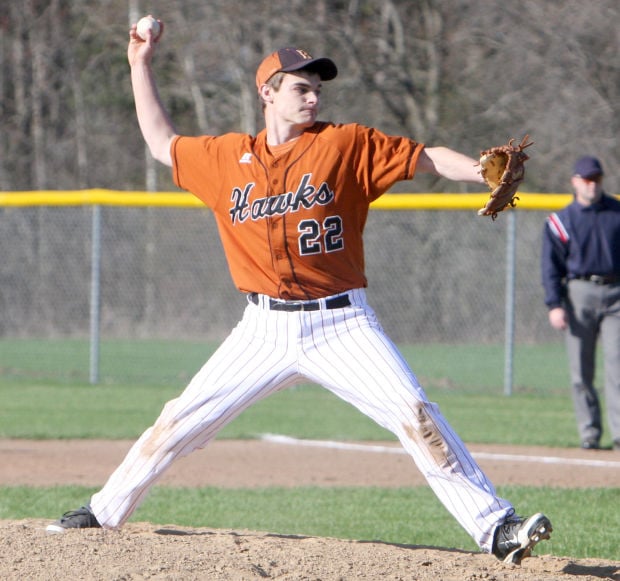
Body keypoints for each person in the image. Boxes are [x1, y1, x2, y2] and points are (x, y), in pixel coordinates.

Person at [46, 19, 552, 564]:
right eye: (300, 87)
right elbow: (161, 143)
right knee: (178, 421)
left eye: (317, 88)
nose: (313, 96)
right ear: (267, 93)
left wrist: (478, 170)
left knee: (416, 414)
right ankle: (104, 509)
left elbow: (423, 157)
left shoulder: (345, 144)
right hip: (262, 329)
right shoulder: (225, 157)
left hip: (342, 325)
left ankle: (497, 526)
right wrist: (140, 64)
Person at [541, 155, 620, 451]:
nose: (592, 184)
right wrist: (554, 304)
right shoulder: (561, 221)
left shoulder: (617, 212)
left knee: (618, 366)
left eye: (596, 178)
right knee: (581, 371)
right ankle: (589, 433)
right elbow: (550, 268)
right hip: (579, 294)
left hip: (616, 293)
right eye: (587, 179)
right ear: (575, 181)